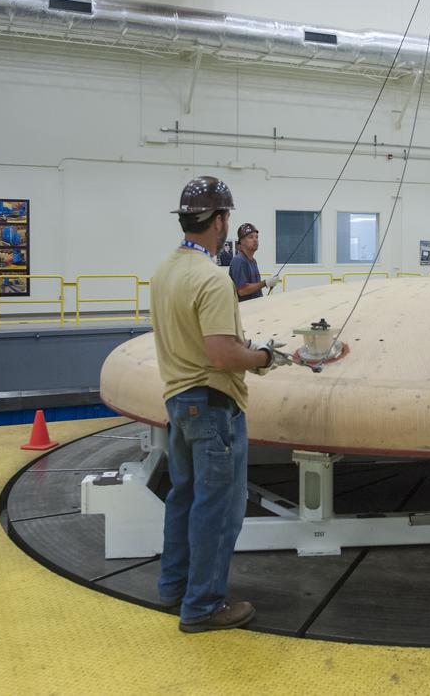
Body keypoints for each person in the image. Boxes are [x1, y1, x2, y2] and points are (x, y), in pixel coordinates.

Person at [150, 176, 294, 633]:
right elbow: (221, 355)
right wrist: (264, 357)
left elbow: (197, 339)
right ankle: (204, 607)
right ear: (220, 220)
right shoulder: (212, 279)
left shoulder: (165, 271)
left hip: (177, 401)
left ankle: (173, 589)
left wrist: (237, 345)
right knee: (218, 510)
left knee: (184, 498)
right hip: (213, 406)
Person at [229, 223, 279, 302]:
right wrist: (265, 283)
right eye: (251, 237)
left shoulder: (253, 261)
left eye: (256, 237)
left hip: (255, 308)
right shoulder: (238, 260)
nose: (255, 240)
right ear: (242, 241)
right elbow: (242, 291)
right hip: (244, 311)